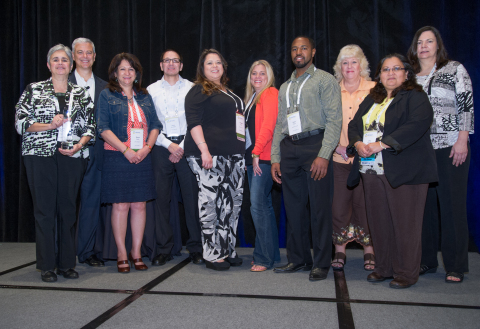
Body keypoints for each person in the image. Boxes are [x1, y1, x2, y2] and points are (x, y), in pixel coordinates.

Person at [347, 54, 437, 289]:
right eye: (386, 69)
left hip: (405, 171)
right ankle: (384, 268)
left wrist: (382, 144)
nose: (391, 73)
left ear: (406, 73)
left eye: (396, 68)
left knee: (405, 224)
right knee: (379, 222)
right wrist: (357, 143)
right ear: (379, 75)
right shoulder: (372, 98)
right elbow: (354, 125)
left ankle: (406, 273)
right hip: (371, 170)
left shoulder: (415, 97)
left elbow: (417, 124)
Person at [15, 44, 95, 282]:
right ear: (49, 65)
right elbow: (20, 123)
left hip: (72, 157)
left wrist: (79, 146)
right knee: (44, 210)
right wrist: (49, 125)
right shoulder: (34, 90)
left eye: (65, 60)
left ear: (71, 66)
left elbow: (91, 126)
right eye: (56, 60)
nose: (61, 63)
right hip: (39, 157)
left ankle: (67, 264)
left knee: (68, 210)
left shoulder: (80, 93)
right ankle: (47, 265)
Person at [271, 36, 342, 281]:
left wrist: (324, 155)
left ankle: (322, 262)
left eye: (303, 48)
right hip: (289, 147)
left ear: (313, 51)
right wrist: (275, 157)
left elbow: (335, 120)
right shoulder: (285, 87)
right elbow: (281, 123)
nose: (298, 52)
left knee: (319, 209)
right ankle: (298, 259)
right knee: (293, 208)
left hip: (315, 146)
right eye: (294, 48)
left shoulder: (325, 79)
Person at [407, 26, 474, 283]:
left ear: (438, 45)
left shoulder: (454, 69)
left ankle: (456, 265)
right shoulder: (410, 76)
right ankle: (427, 261)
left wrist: (462, 139)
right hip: (419, 150)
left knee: (451, 206)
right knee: (423, 208)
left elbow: (466, 104)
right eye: (419, 42)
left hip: (450, 147)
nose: (424, 46)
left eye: (429, 41)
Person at [97, 53, 161, 273]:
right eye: (122, 69)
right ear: (115, 73)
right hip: (117, 156)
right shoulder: (107, 95)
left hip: (142, 156)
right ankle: (122, 253)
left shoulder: (145, 96)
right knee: (121, 205)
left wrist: (146, 148)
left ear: (136, 74)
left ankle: (136, 252)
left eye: (131, 69)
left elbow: (155, 125)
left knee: (139, 205)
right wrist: (125, 150)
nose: (127, 73)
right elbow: (103, 128)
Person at [184, 49, 245, 271]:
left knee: (231, 205)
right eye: (210, 63)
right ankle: (211, 253)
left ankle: (227, 249)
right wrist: (204, 151)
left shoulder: (227, 91)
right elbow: (193, 123)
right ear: (202, 68)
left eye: (218, 63)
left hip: (234, 156)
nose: (215, 66)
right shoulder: (198, 90)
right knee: (211, 204)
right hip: (209, 155)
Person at [147, 49, 203, 266]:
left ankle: (196, 247)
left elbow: (196, 120)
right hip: (161, 146)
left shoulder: (192, 88)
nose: (171, 64)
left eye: (175, 61)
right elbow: (151, 123)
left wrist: (180, 146)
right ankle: (164, 249)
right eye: (167, 61)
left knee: (192, 199)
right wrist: (169, 145)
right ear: (161, 65)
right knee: (162, 200)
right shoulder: (150, 90)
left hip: (188, 146)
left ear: (181, 65)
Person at [331, 45, 376, 271]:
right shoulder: (331, 89)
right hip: (339, 160)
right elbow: (325, 124)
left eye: (354, 62)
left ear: (362, 66)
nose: (349, 66)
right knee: (339, 206)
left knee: (365, 205)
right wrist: (334, 147)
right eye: (345, 62)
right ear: (340, 66)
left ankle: (370, 250)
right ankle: (340, 250)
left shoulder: (374, 90)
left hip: (367, 159)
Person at [70, 37, 108, 267]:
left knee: (91, 202)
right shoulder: (61, 83)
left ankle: (86, 251)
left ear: (94, 57)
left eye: (89, 53)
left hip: (96, 151)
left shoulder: (105, 87)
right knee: (63, 204)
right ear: (73, 56)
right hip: (68, 153)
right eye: (80, 52)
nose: (85, 56)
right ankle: (60, 252)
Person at [243, 60, 280, 272]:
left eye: (262, 74)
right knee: (264, 207)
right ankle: (270, 253)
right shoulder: (253, 98)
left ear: (269, 77)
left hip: (263, 158)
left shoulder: (270, 93)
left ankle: (264, 258)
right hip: (253, 158)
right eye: (254, 73)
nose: (257, 77)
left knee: (257, 206)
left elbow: (268, 126)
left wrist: (256, 152)